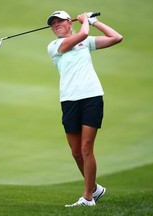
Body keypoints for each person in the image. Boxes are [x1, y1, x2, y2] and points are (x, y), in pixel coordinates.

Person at [47, 11, 123, 207]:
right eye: (52, 23)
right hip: (69, 100)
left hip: (91, 97)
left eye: (59, 21)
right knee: (75, 152)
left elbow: (116, 38)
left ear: (68, 22)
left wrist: (94, 22)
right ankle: (95, 188)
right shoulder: (54, 46)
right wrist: (84, 22)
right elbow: (80, 35)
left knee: (86, 147)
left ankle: (88, 197)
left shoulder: (86, 41)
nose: (56, 25)